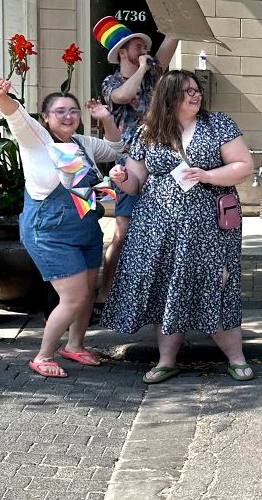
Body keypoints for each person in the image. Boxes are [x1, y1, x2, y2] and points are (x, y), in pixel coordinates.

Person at [103, 71, 254, 383]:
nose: (195, 95)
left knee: (217, 284)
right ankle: (167, 360)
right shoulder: (149, 131)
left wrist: (207, 175)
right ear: (169, 97)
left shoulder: (218, 124)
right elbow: (135, 182)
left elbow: (243, 166)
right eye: (187, 91)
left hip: (209, 226)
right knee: (165, 288)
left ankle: (236, 357)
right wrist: (121, 179)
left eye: (196, 90)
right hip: (157, 226)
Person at [0, 76, 124, 377]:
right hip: (48, 231)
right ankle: (43, 355)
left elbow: (117, 147)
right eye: (60, 111)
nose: (68, 116)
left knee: (87, 292)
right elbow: (13, 113)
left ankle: (75, 346)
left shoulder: (82, 143)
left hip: (86, 227)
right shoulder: (37, 139)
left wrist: (105, 117)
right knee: (74, 296)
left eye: (74, 111)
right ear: (46, 118)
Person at [91, 16, 178, 323]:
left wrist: (177, 19)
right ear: (122, 52)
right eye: (137, 45)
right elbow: (124, 97)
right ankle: (105, 292)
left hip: (160, 162)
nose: (144, 48)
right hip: (128, 163)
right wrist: (143, 67)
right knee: (123, 232)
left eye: (144, 44)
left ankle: (148, 293)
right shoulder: (111, 82)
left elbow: (170, 43)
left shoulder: (154, 75)